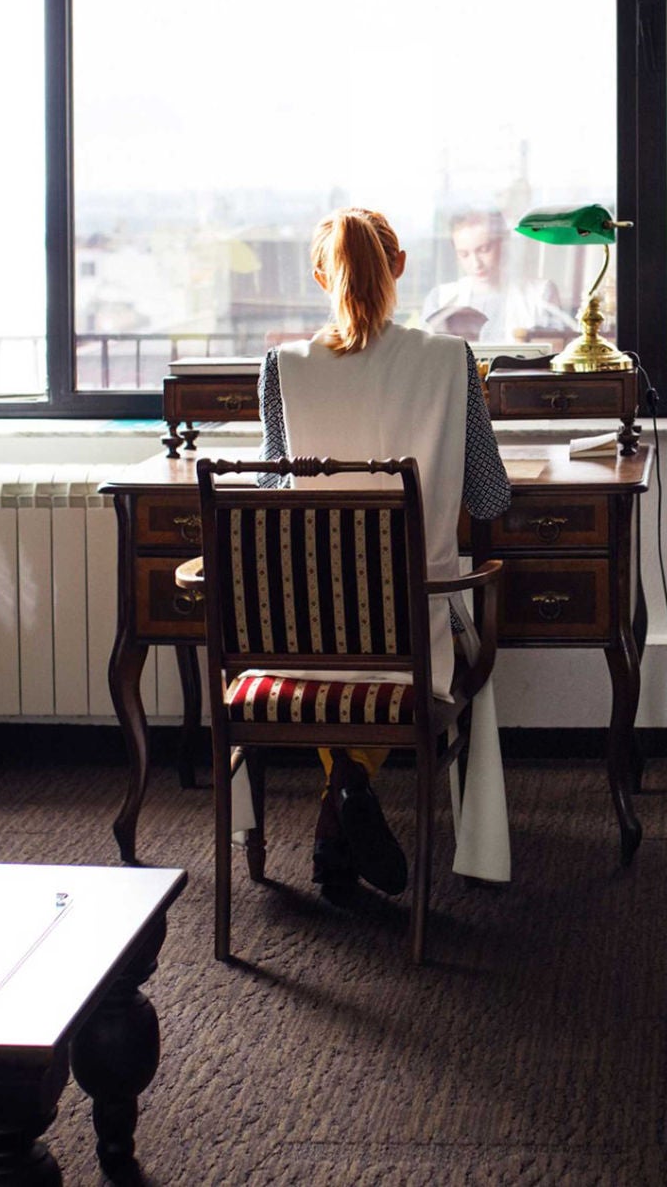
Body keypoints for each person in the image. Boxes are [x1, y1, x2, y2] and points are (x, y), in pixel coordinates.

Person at [241, 206, 514, 896]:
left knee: (333, 639)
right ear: (398, 267)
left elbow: (271, 495)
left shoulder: (282, 368)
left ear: (320, 276)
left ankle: (342, 801)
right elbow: (490, 499)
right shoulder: (451, 360)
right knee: (398, 639)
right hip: (414, 626)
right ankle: (350, 791)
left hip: (307, 632)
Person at [419, 209, 572, 344]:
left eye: (484, 249)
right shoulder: (440, 299)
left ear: (502, 243)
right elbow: (426, 358)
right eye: (464, 254)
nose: (476, 263)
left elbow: (553, 353)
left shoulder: (540, 294)